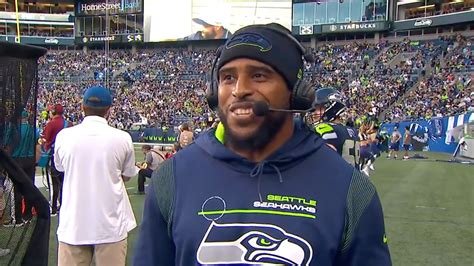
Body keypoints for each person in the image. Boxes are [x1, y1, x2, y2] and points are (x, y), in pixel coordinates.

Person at [134, 23, 391, 265]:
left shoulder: (351, 190)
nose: (239, 90)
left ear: (296, 93)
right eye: (228, 78)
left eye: (258, 75)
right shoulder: (172, 178)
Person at [54, 86, 137, 266]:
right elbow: (128, 174)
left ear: (82, 107)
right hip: (110, 225)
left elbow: (60, 168)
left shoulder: (64, 136)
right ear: (109, 110)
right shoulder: (122, 138)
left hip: (73, 225)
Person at [307, 87, 360, 167]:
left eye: (318, 108)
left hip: (333, 177)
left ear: (332, 107)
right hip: (352, 177)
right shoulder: (352, 131)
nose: (314, 113)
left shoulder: (324, 128)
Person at [2, 110, 38, 224]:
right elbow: (38, 146)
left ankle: (18, 218)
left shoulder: (14, 129)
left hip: (17, 160)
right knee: (29, 187)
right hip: (30, 159)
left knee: (17, 189)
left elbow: (7, 146)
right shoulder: (33, 129)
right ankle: (27, 214)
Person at [40, 104, 70, 216]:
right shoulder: (69, 124)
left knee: (55, 183)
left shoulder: (51, 124)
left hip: (53, 156)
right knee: (65, 183)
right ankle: (63, 205)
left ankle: (53, 207)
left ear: (53, 112)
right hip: (66, 157)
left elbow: (45, 140)